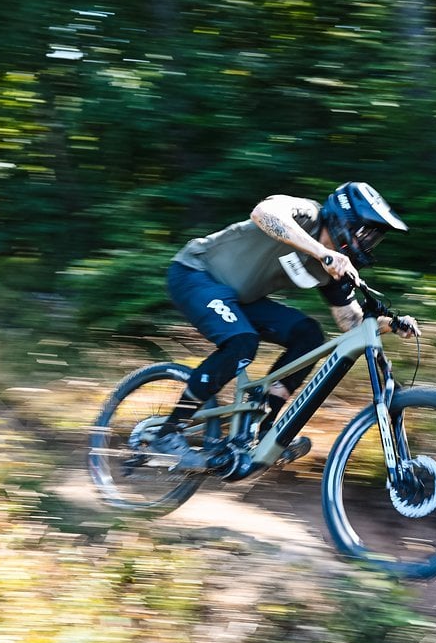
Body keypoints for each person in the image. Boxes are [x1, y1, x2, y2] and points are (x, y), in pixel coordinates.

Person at [151, 181, 420, 471]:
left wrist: (391, 324)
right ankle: (167, 433)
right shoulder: (308, 215)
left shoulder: (334, 269)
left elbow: (351, 321)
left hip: (242, 298)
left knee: (309, 336)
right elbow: (264, 213)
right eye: (366, 234)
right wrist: (322, 253)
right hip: (196, 274)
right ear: (346, 221)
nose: (368, 243)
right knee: (243, 341)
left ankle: (264, 430)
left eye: (373, 239)